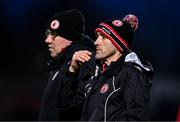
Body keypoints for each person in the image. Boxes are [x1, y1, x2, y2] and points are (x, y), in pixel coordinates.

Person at [68, 14, 154, 121]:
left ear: (118, 44)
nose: (96, 42)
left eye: (103, 37)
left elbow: (138, 117)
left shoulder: (131, 73)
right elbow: (68, 107)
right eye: (97, 37)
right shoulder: (96, 72)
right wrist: (72, 71)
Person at [38, 9, 96, 121]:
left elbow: (76, 106)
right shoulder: (61, 62)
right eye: (47, 34)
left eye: (54, 34)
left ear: (69, 37)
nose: (47, 40)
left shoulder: (84, 59)